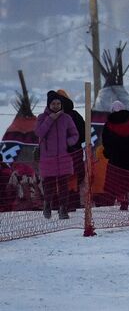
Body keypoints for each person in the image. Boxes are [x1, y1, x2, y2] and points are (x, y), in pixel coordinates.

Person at [35, 91, 79, 219]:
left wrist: (68, 143)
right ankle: (47, 205)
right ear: (49, 104)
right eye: (53, 103)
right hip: (48, 157)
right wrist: (50, 119)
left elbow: (75, 134)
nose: (56, 106)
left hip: (64, 156)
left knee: (64, 185)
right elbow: (39, 132)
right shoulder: (42, 117)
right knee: (49, 185)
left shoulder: (66, 118)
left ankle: (63, 209)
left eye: (58, 103)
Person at [55, 89, 86, 213]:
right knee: (73, 178)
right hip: (75, 153)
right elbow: (83, 134)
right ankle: (72, 203)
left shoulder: (53, 117)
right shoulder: (75, 115)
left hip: (58, 154)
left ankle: (61, 204)